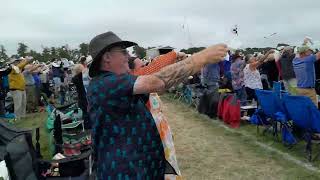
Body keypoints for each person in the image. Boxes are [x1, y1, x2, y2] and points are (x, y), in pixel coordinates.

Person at [87, 31, 227, 179]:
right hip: (125, 172)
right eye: (123, 52)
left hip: (137, 168)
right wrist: (201, 58)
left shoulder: (115, 82)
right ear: (107, 57)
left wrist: (176, 66)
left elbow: (155, 82)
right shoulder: (105, 83)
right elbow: (157, 82)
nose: (128, 57)